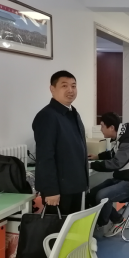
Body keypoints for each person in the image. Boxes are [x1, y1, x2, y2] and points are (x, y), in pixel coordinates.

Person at [87, 112, 129, 237]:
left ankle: (102, 224)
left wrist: (91, 165)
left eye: (102, 126)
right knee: (91, 194)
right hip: (126, 177)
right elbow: (114, 153)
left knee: (102, 196)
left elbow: (116, 163)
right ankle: (117, 220)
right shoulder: (122, 136)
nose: (100, 129)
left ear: (111, 127)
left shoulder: (128, 139)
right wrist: (97, 157)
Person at [33, 71, 88, 215]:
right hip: (59, 190)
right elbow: (45, 156)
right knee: (57, 227)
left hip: (74, 185)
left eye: (73, 86)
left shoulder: (72, 113)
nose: (70, 90)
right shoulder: (47, 116)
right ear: (52, 89)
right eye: (64, 86)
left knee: (72, 226)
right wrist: (51, 190)